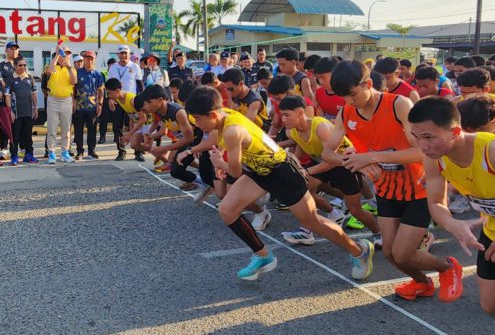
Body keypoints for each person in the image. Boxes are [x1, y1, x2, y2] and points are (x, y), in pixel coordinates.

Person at [185, 86, 375, 281]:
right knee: (227, 210)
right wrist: (222, 159)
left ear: (213, 114)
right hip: (259, 170)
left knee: (312, 221)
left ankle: (359, 251)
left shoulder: (233, 130)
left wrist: (220, 163)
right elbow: (227, 146)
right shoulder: (224, 115)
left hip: (282, 172)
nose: (196, 124)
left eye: (197, 119)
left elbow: (234, 171)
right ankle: (262, 256)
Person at [328, 60, 462, 302]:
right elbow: (328, 153)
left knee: (402, 254)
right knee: (390, 253)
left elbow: (423, 150)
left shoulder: (398, 104)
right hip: (387, 190)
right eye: (343, 97)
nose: (349, 101)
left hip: (419, 189)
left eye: (352, 94)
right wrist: (355, 161)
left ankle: (447, 267)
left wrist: (373, 157)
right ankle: (423, 283)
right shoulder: (345, 113)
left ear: (368, 83)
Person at [408, 97, 495, 315]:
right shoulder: (435, 158)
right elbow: (436, 202)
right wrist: (451, 223)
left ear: (454, 132)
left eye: (428, 137)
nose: (422, 146)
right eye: (416, 137)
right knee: (492, 306)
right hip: (494, 232)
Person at [279, 96, 380, 245]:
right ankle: (316, 225)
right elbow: (301, 143)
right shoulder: (292, 131)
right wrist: (294, 163)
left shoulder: (321, 127)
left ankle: (378, 233)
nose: (283, 119)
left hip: (344, 164)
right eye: (281, 115)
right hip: (321, 162)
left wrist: (306, 171)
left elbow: (331, 160)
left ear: (300, 112)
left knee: (355, 210)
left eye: (286, 115)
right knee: (301, 191)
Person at [107, 45, 144, 161]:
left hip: (132, 101)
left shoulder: (135, 66)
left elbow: (140, 85)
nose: (123, 55)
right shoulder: (113, 68)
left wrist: (140, 101)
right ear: (118, 55)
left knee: (136, 126)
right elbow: (109, 85)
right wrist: (110, 99)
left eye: (125, 53)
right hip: (117, 101)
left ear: (129, 54)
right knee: (118, 127)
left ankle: (138, 151)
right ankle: (121, 151)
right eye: (121, 53)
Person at [45, 44, 77, 164]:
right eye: (64, 53)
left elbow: (74, 81)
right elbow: (49, 70)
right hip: (53, 100)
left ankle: (65, 153)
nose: (65, 56)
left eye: (67, 54)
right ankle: (52, 153)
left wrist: (69, 67)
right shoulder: (53, 66)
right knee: (52, 129)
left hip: (66, 101)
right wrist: (57, 54)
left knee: (66, 129)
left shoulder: (72, 69)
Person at [105, 78, 148, 162]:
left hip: (149, 123)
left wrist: (131, 133)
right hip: (138, 121)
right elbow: (131, 113)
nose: (108, 96)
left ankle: (140, 152)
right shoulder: (118, 98)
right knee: (133, 142)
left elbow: (143, 118)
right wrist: (131, 128)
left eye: (110, 93)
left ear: (117, 91)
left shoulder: (132, 100)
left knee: (148, 147)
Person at [73, 50, 104, 160]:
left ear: (94, 60)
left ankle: (91, 151)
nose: (89, 61)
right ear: (84, 60)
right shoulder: (77, 72)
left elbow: (100, 90)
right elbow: (73, 89)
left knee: (92, 131)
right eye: (87, 59)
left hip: (92, 107)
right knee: (78, 131)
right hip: (79, 107)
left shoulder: (98, 75)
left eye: (91, 59)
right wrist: (73, 103)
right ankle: (79, 152)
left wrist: (100, 104)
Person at [9, 56, 39, 165]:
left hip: (28, 112)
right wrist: (10, 111)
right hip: (16, 113)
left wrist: (35, 108)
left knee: (28, 135)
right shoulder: (10, 78)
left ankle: (29, 155)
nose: (23, 67)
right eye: (20, 65)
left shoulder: (30, 78)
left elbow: (34, 94)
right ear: (15, 66)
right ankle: (14, 156)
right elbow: (7, 96)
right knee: (15, 136)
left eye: (24, 65)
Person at [98, 57, 118, 144]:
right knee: (104, 119)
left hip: (116, 99)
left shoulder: (118, 74)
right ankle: (102, 137)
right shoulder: (103, 74)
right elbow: (102, 87)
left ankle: (117, 136)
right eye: (111, 65)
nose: (113, 67)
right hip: (106, 99)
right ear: (108, 65)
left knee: (116, 119)